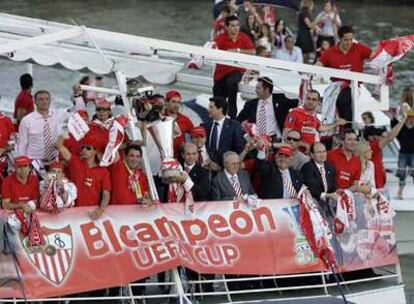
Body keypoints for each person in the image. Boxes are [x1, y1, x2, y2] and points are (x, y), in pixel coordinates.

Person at [316, 25, 374, 122]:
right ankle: (345, 126)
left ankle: (346, 126)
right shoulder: (330, 52)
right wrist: (312, 70)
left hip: (354, 86)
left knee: (345, 99)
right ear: (340, 39)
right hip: (336, 87)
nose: (349, 43)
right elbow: (319, 63)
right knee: (339, 100)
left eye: (351, 39)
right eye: (346, 40)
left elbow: (374, 56)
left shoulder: (358, 48)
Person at [55, 134, 111, 220]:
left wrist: (100, 210)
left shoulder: (103, 171)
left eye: (88, 148)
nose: (84, 150)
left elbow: (106, 195)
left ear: (95, 151)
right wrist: (65, 128)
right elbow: (59, 145)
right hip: (71, 211)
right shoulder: (75, 162)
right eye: (83, 147)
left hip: (91, 213)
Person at [213, 15, 256, 119]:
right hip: (222, 72)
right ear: (227, 27)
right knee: (218, 96)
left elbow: (253, 51)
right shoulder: (221, 38)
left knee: (231, 83)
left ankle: (232, 116)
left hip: (237, 70)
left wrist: (237, 50)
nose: (236, 28)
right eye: (232, 26)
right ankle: (218, 119)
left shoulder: (243, 37)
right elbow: (213, 50)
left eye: (237, 25)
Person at [237, 77, 298, 141]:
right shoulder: (250, 104)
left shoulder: (280, 99)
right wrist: (245, 134)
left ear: (267, 89)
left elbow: (298, 102)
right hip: (255, 141)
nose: (255, 90)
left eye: (258, 88)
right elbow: (238, 121)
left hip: (274, 141)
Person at [17, 90, 69, 165]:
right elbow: (22, 145)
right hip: (34, 163)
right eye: (41, 99)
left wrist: (77, 95)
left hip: (54, 163)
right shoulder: (27, 120)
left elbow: (78, 109)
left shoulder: (58, 115)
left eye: (47, 99)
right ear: (35, 101)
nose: (44, 102)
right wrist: (22, 164)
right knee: (37, 177)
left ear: (50, 101)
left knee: (52, 177)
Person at [203, 97, 245, 169]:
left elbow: (239, 148)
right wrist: (209, 162)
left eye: (211, 107)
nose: (208, 110)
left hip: (226, 168)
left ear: (220, 109)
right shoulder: (205, 125)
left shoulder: (234, 125)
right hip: (207, 166)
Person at [301, 142, 337, 218]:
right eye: (319, 152)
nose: (323, 154)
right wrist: (328, 195)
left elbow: (333, 186)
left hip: (328, 200)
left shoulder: (330, 167)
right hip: (314, 201)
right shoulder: (308, 167)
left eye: (324, 151)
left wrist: (334, 194)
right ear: (311, 155)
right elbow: (312, 189)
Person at [164, 90, 194, 158]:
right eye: (173, 102)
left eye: (178, 102)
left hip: (181, 157)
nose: (176, 105)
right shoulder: (160, 118)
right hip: (163, 157)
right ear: (166, 102)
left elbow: (194, 135)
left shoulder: (185, 120)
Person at [393, 109, 414, 199]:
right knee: (401, 173)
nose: (411, 119)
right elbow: (393, 124)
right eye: (409, 117)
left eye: (412, 117)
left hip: (413, 154)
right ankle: (399, 193)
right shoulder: (401, 127)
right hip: (403, 153)